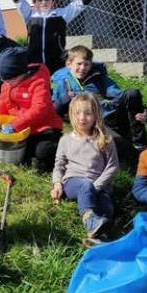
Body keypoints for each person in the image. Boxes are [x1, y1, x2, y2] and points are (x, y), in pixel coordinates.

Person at [51, 45, 147, 158]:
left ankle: (140, 144)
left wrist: (144, 110)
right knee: (122, 147)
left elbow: (122, 98)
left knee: (132, 92)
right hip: (95, 125)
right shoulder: (63, 84)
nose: (82, 68)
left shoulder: (99, 79)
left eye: (86, 64)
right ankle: (139, 157)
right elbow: (54, 110)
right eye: (79, 64)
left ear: (91, 65)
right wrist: (65, 98)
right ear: (69, 64)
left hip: (114, 119)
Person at [8, 0, 106, 72]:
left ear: (53, 2)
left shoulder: (61, 14)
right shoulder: (30, 15)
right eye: (39, 0)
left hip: (57, 63)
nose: (44, 2)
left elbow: (81, 3)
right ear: (34, 3)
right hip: (34, 62)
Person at [51, 93, 119, 242]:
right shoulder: (66, 140)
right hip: (73, 182)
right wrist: (57, 184)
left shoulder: (105, 139)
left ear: (96, 115)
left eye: (88, 113)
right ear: (71, 114)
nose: (82, 118)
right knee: (85, 185)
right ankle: (89, 220)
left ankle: (97, 237)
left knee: (107, 208)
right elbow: (59, 165)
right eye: (78, 113)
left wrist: (97, 186)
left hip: (98, 184)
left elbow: (113, 166)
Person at [0, 46, 64, 171]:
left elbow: (39, 108)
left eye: (11, 79)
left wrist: (14, 125)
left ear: (23, 72)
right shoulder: (7, 85)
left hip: (44, 127)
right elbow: (1, 106)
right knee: (22, 157)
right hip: (23, 130)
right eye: (4, 80)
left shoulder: (39, 82)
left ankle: (62, 146)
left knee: (43, 153)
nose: (8, 83)